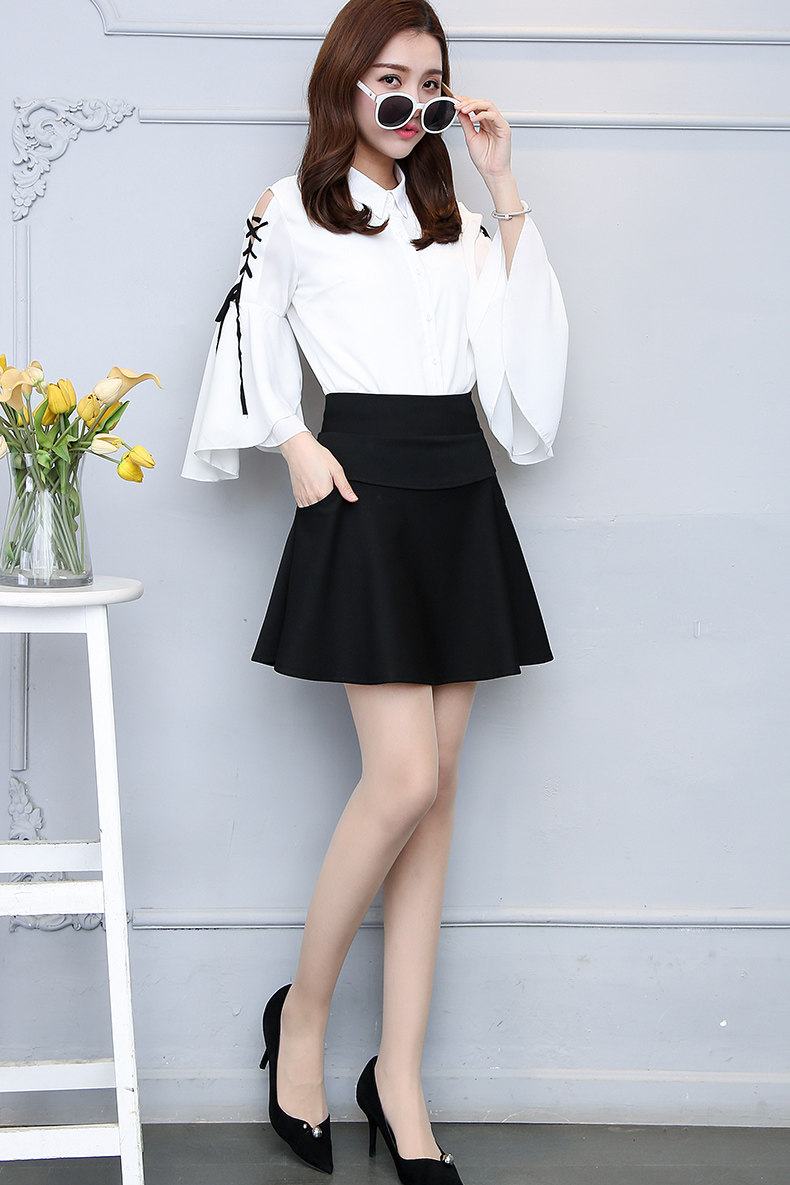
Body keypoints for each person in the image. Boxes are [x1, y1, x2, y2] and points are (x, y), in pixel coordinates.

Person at [182, 0, 568, 1179]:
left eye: (432, 84)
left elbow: (519, 362)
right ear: (346, 84)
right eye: (391, 79)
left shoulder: (456, 219)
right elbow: (246, 334)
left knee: (435, 797)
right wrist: (290, 437)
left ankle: (398, 1076)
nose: (411, 102)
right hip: (362, 487)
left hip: (457, 484)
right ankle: (302, 1019)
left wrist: (504, 186)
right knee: (400, 781)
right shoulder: (289, 205)